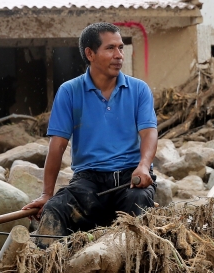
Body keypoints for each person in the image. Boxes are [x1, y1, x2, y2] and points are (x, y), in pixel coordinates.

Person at [23, 22, 158, 237]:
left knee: (139, 204)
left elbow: (149, 132)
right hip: (88, 181)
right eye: (110, 48)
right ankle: (51, 268)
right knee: (55, 210)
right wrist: (47, 194)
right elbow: (57, 146)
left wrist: (143, 166)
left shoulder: (139, 89)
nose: (119, 55)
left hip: (130, 179)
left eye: (121, 47)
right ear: (90, 53)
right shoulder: (69, 91)